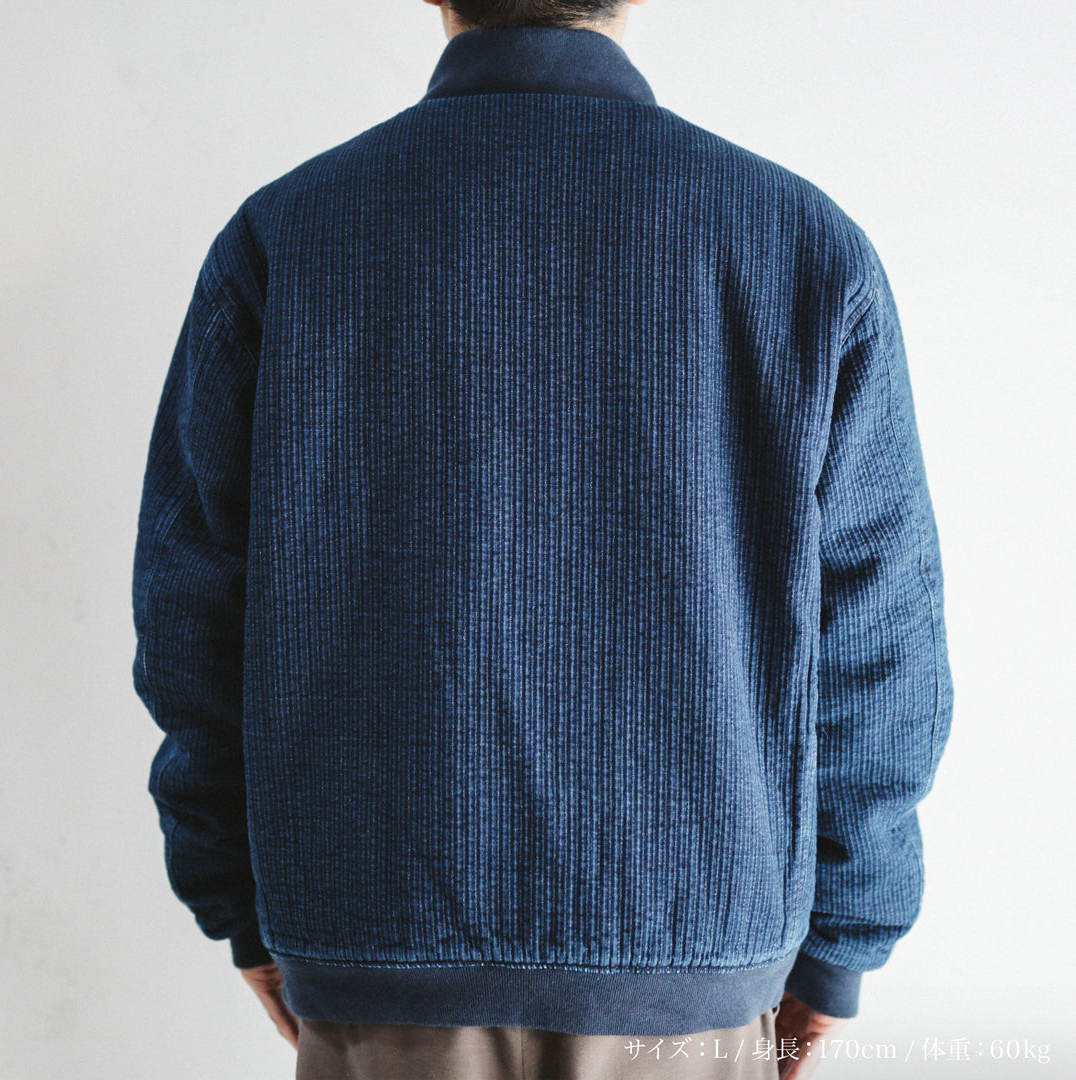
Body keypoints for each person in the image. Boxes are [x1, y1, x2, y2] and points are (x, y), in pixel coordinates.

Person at [130, 1, 955, 1077]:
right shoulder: (798, 241)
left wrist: (238, 902)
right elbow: (881, 639)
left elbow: (192, 615)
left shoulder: (288, 234)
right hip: (691, 952)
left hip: (376, 939)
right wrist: (844, 938)